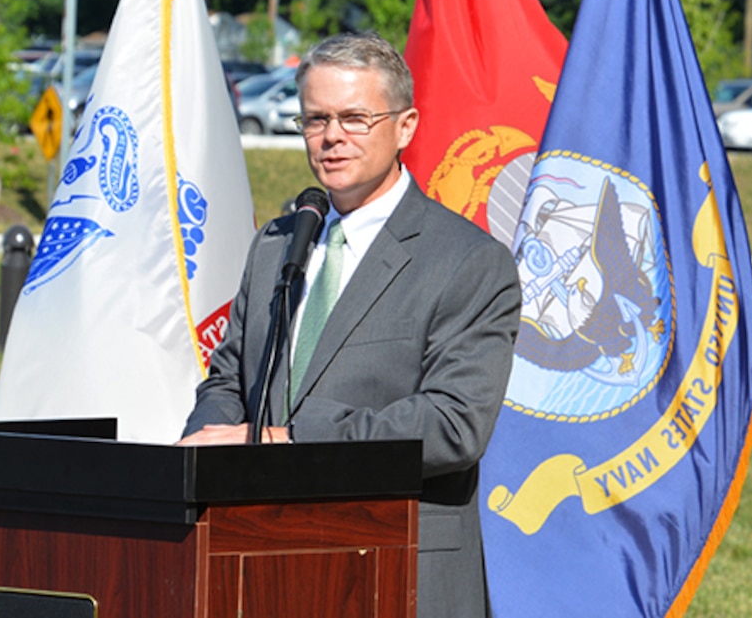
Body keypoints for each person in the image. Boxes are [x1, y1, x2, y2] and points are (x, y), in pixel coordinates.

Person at [180, 31, 521, 617]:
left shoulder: (467, 262)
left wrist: (285, 443)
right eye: (315, 119)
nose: (332, 136)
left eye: (355, 118)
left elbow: (452, 426)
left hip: (397, 567)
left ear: (406, 126)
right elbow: (229, 379)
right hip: (257, 562)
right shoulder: (278, 245)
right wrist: (208, 450)